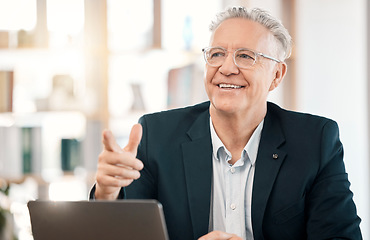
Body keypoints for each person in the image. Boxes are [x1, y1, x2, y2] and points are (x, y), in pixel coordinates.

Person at [90, 6, 362, 240]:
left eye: (245, 56)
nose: (227, 68)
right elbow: (126, 234)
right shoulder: (156, 136)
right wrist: (107, 194)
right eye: (217, 54)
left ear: (277, 75)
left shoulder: (316, 141)